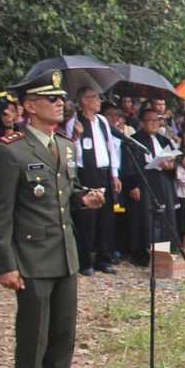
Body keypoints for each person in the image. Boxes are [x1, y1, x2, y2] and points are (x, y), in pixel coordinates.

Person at [0, 69, 106, 368]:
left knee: (63, 332)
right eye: (50, 98)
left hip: (64, 252)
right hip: (31, 256)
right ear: (29, 106)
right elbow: (0, 214)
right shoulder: (11, 153)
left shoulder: (66, 148)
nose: (59, 103)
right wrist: (6, 264)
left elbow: (67, 197)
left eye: (60, 98)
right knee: (33, 334)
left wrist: (88, 199)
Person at [68, 87, 119, 276]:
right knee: (87, 218)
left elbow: (110, 147)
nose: (99, 101)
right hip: (86, 172)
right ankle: (85, 261)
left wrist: (114, 173)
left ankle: (103, 259)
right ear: (84, 100)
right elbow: (72, 152)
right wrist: (77, 136)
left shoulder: (102, 121)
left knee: (106, 218)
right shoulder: (74, 121)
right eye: (95, 97)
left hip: (103, 171)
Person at [121, 106, 178, 265]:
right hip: (144, 182)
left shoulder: (164, 140)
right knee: (145, 218)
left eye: (156, 120)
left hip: (163, 181)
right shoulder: (134, 140)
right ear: (142, 122)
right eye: (150, 120)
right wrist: (133, 185)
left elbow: (174, 161)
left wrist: (171, 166)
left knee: (165, 216)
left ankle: (162, 252)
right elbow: (128, 164)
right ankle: (142, 254)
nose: (154, 123)